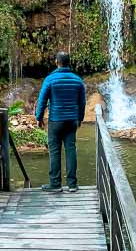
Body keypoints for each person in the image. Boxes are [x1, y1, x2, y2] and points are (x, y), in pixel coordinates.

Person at [35, 52, 86, 193]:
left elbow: (42, 100)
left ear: (57, 62)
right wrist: (80, 118)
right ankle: (72, 184)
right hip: (72, 120)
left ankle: (55, 184)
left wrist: (38, 117)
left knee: (55, 151)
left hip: (56, 120)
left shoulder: (50, 79)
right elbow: (82, 102)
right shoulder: (77, 80)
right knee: (70, 149)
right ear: (69, 62)